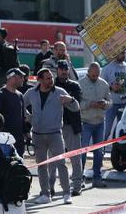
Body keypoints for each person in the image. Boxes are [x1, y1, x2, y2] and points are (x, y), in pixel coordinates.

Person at [23, 67, 77, 205]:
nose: (51, 80)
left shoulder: (59, 92)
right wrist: (27, 117)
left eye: (51, 77)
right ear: (39, 79)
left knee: (61, 164)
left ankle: (66, 193)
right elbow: (20, 104)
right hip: (38, 135)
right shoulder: (31, 92)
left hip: (55, 134)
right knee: (41, 166)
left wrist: (70, 100)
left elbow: (76, 108)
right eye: (47, 78)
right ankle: (45, 194)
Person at [55, 61, 85, 195]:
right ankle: (49, 188)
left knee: (75, 158)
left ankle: (77, 185)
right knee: (54, 159)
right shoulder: (51, 85)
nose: (63, 71)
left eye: (65, 69)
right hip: (55, 126)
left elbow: (77, 103)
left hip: (71, 125)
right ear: (57, 70)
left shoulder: (74, 86)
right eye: (61, 69)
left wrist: (68, 100)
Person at [0, 68, 28, 155]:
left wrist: (26, 131)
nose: (23, 79)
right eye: (21, 77)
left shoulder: (20, 95)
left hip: (18, 139)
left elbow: (22, 116)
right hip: (4, 139)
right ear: (13, 78)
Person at [101, 50, 126, 139]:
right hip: (111, 104)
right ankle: (100, 150)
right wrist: (111, 87)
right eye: (121, 53)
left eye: (124, 53)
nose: (123, 55)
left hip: (124, 104)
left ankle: (118, 151)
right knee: (106, 130)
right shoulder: (107, 68)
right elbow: (100, 87)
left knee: (122, 131)